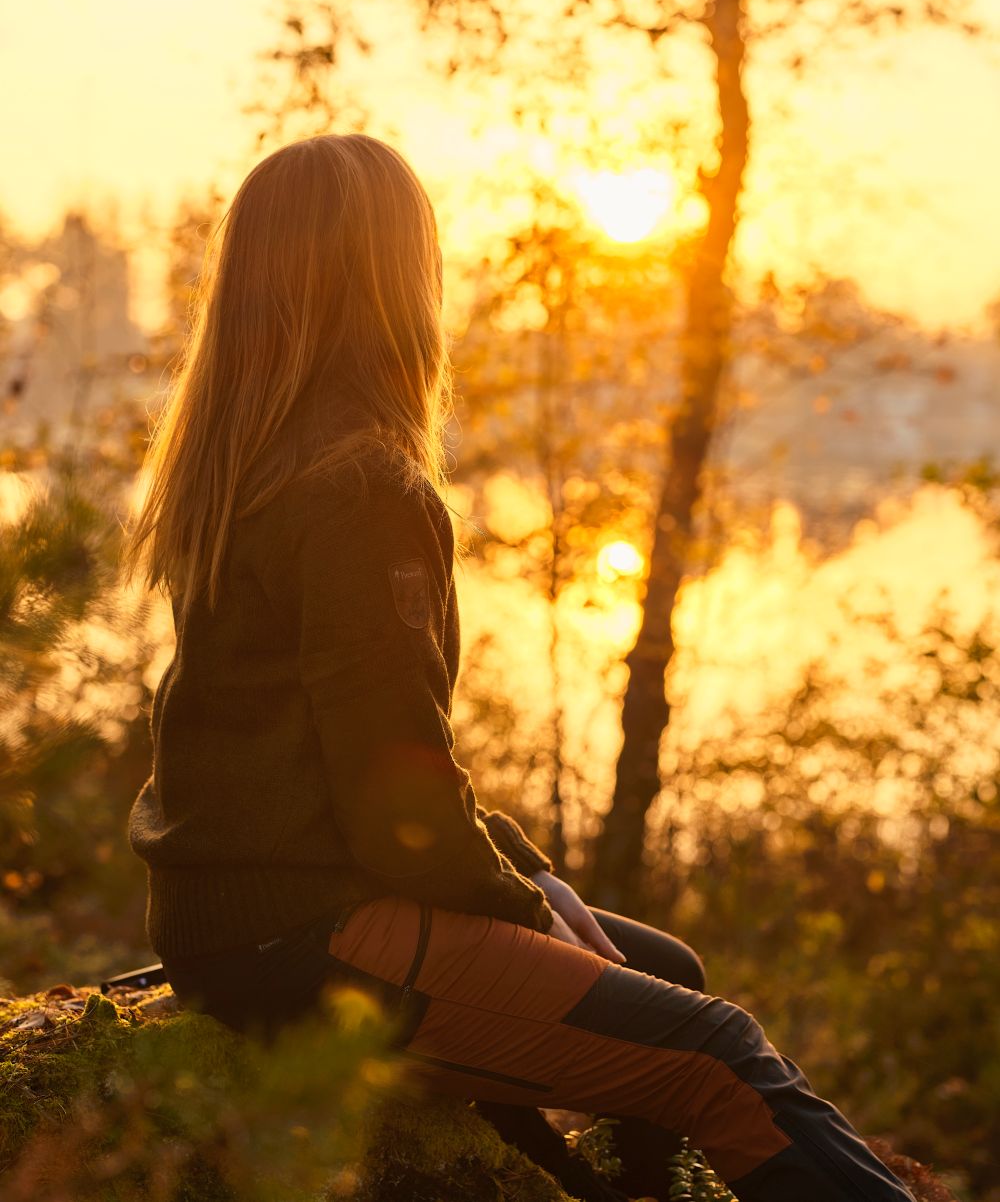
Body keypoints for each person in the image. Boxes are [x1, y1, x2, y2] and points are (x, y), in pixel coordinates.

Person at [120, 132, 916, 1202]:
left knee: (666, 972)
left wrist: (530, 872)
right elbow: (388, 803)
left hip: (230, 922)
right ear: (396, 282)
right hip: (310, 938)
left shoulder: (251, 465)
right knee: (717, 1052)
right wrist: (528, 915)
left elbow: (372, 756)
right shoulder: (364, 488)